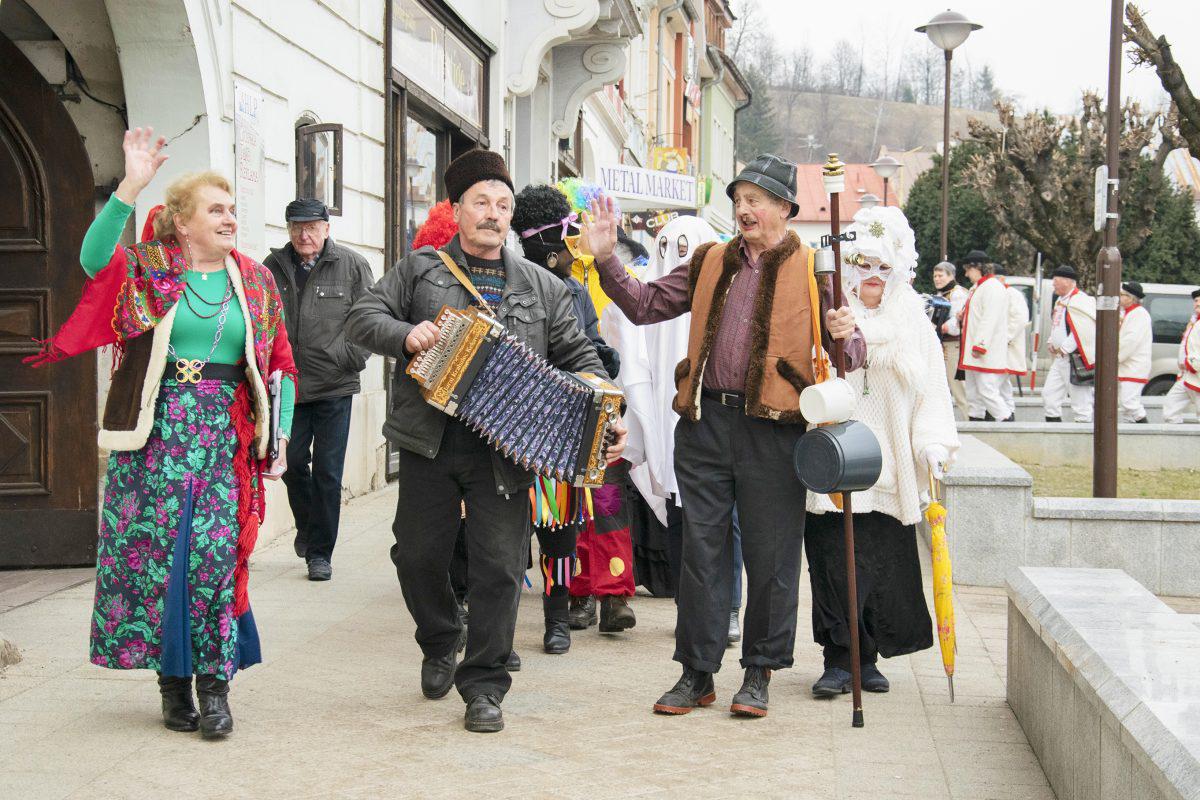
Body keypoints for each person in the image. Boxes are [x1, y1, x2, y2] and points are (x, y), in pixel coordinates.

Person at [26, 128, 297, 738]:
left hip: (224, 440)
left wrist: (278, 436)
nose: (230, 218)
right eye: (216, 210)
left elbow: (280, 363)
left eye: (232, 209)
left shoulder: (255, 281)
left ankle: (216, 690)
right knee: (158, 564)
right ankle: (173, 688)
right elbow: (93, 260)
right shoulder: (150, 271)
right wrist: (129, 185)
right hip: (154, 438)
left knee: (213, 565)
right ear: (181, 223)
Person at [344, 149, 625, 733]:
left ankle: (485, 686)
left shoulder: (544, 287)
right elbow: (361, 317)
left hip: (508, 448)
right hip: (430, 440)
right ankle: (442, 637)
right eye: (482, 203)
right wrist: (406, 333)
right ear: (456, 209)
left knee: (499, 568)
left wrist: (602, 400)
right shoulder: (420, 270)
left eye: (503, 204)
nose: (494, 214)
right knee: (417, 556)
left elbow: (578, 356)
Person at [585, 153, 863, 719]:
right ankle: (696, 673)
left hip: (775, 431)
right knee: (701, 555)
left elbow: (849, 354)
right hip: (704, 423)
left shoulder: (816, 270)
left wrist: (846, 332)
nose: (744, 209)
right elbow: (644, 306)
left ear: (785, 208)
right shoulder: (711, 260)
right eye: (739, 199)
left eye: (756, 199)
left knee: (772, 555)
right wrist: (608, 259)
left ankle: (759, 672)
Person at [805, 206, 959, 696]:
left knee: (877, 566)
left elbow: (933, 390)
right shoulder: (827, 314)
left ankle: (866, 658)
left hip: (889, 466)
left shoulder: (914, 321)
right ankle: (837, 658)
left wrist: (933, 444)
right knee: (832, 564)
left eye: (883, 267)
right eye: (863, 264)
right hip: (834, 462)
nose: (872, 277)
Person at [510, 183, 633, 654]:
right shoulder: (508, 282)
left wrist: (602, 364)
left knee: (559, 529)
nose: (572, 242)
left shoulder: (575, 292)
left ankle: (557, 616)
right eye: (568, 233)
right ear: (553, 245)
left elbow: (591, 348)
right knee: (505, 532)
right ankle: (499, 622)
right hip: (511, 428)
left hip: (560, 428)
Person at [265, 199, 373, 581]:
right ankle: (308, 529)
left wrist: (349, 358)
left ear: (327, 228)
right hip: (289, 386)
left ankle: (320, 553)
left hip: (334, 385)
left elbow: (370, 319)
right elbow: (261, 321)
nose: (303, 234)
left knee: (328, 471)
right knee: (290, 462)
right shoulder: (271, 267)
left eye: (311, 226)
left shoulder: (352, 265)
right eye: (296, 227)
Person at [957, 254, 1013, 421]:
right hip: (974, 350)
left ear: (977, 267)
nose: (966, 274)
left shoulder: (993, 287)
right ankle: (977, 422)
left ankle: (1008, 423)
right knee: (973, 394)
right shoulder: (979, 287)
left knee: (987, 390)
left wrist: (980, 345)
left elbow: (990, 318)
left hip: (984, 350)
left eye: (968, 270)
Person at [1042, 265, 1096, 423]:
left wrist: (1065, 348)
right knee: (1049, 395)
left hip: (1075, 358)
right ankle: (1054, 430)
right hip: (1060, 359)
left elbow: (1083, 329)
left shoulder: (1081, 300)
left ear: (1067, 281)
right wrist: (1051, 341)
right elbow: (1056, 324)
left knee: (1081, 401)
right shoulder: (1060, 300)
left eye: (1056, 281)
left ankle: (1082, 435)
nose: (1054, 285)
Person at [932, 260, 970, 417]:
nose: (937, 279)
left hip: (954, 345)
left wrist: (938, 327)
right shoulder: (941, 295)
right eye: (935, 276)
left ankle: (972, 419)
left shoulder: (957, 293)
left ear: (951, 276)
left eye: (940, 275)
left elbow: (955, 324)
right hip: (942, 346)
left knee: (959, 388)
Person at [994, 264, 1029, 420]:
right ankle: (1009, 412)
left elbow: (1020, 318)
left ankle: (1005, 415)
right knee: (1002, 385)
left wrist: (1005, 337)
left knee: (993, 384)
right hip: (999, 347)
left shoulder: (1012, 294)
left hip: (1007, 346)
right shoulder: (999, 293)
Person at [1163, 288, 1200, 424]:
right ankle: (1175, 442)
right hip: (1188, 375)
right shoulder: (1195, 322)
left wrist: (1193, 364)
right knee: (1170, 406)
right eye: (1195, 301)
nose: (1195, 304)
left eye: (1198, 301)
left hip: (1196, 372)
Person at [1117, 281, 1152, 423]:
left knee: (1129, 402)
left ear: (1131, 298)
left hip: (1134, 366)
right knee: (1125, 406)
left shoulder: (1139, 314)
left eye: (1122, 295)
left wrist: (1115, 358)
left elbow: (1131, 342)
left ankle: (1146, 432)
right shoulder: (1128, 313)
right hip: (1127, 366)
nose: (1119, 297)